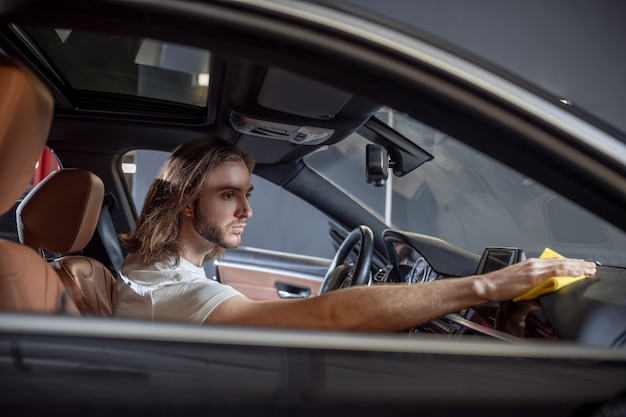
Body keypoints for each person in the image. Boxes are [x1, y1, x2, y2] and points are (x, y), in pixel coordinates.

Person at [113, 137, 597, 331]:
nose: (246, 210)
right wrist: (485, 286)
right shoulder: (170, 291)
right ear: (185, 201)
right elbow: (327, 314)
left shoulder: (163, 268)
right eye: (228, 196)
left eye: (248, 194)